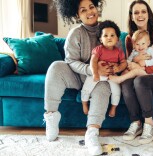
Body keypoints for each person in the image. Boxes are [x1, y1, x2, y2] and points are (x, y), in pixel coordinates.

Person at [44, 0, 113, 155]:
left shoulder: (108, 30)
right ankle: (51, 116)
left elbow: (118, 55)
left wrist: (108, 68)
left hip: (99, 81)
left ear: (97, 7)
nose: (89, 12)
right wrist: (91, 69)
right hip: (77, 76)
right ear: (77, 15)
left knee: (104, 86)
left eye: (91, 7)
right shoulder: (75, 33)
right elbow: (70, 61)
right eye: (83, 10)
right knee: (56, 66)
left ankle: (92, 133)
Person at [121, 0, 153, 144]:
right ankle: (136, 122)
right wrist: (135, 61)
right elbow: (130, 62)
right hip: (137, 74)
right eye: (136, 12)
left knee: (139, 80)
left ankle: (150, 123)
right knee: (126, 82)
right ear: (131, 16)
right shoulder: (130, 38)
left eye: (143, 11)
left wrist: (143, 68)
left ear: (148, 14)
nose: (140, 15)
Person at [81, 20, 127, 117]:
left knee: (116, 90)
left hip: (112, 75)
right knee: (87, 86)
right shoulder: (99, 49)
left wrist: (118, 68)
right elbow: (93, 61)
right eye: (105, 36)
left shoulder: (119, 52)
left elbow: (124, 62)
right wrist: (95, 74)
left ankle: (113, 107)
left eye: (112, 35)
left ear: (117, 39)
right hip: (98, 73)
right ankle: (84, 103)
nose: (109, 38)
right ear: (101, 39)